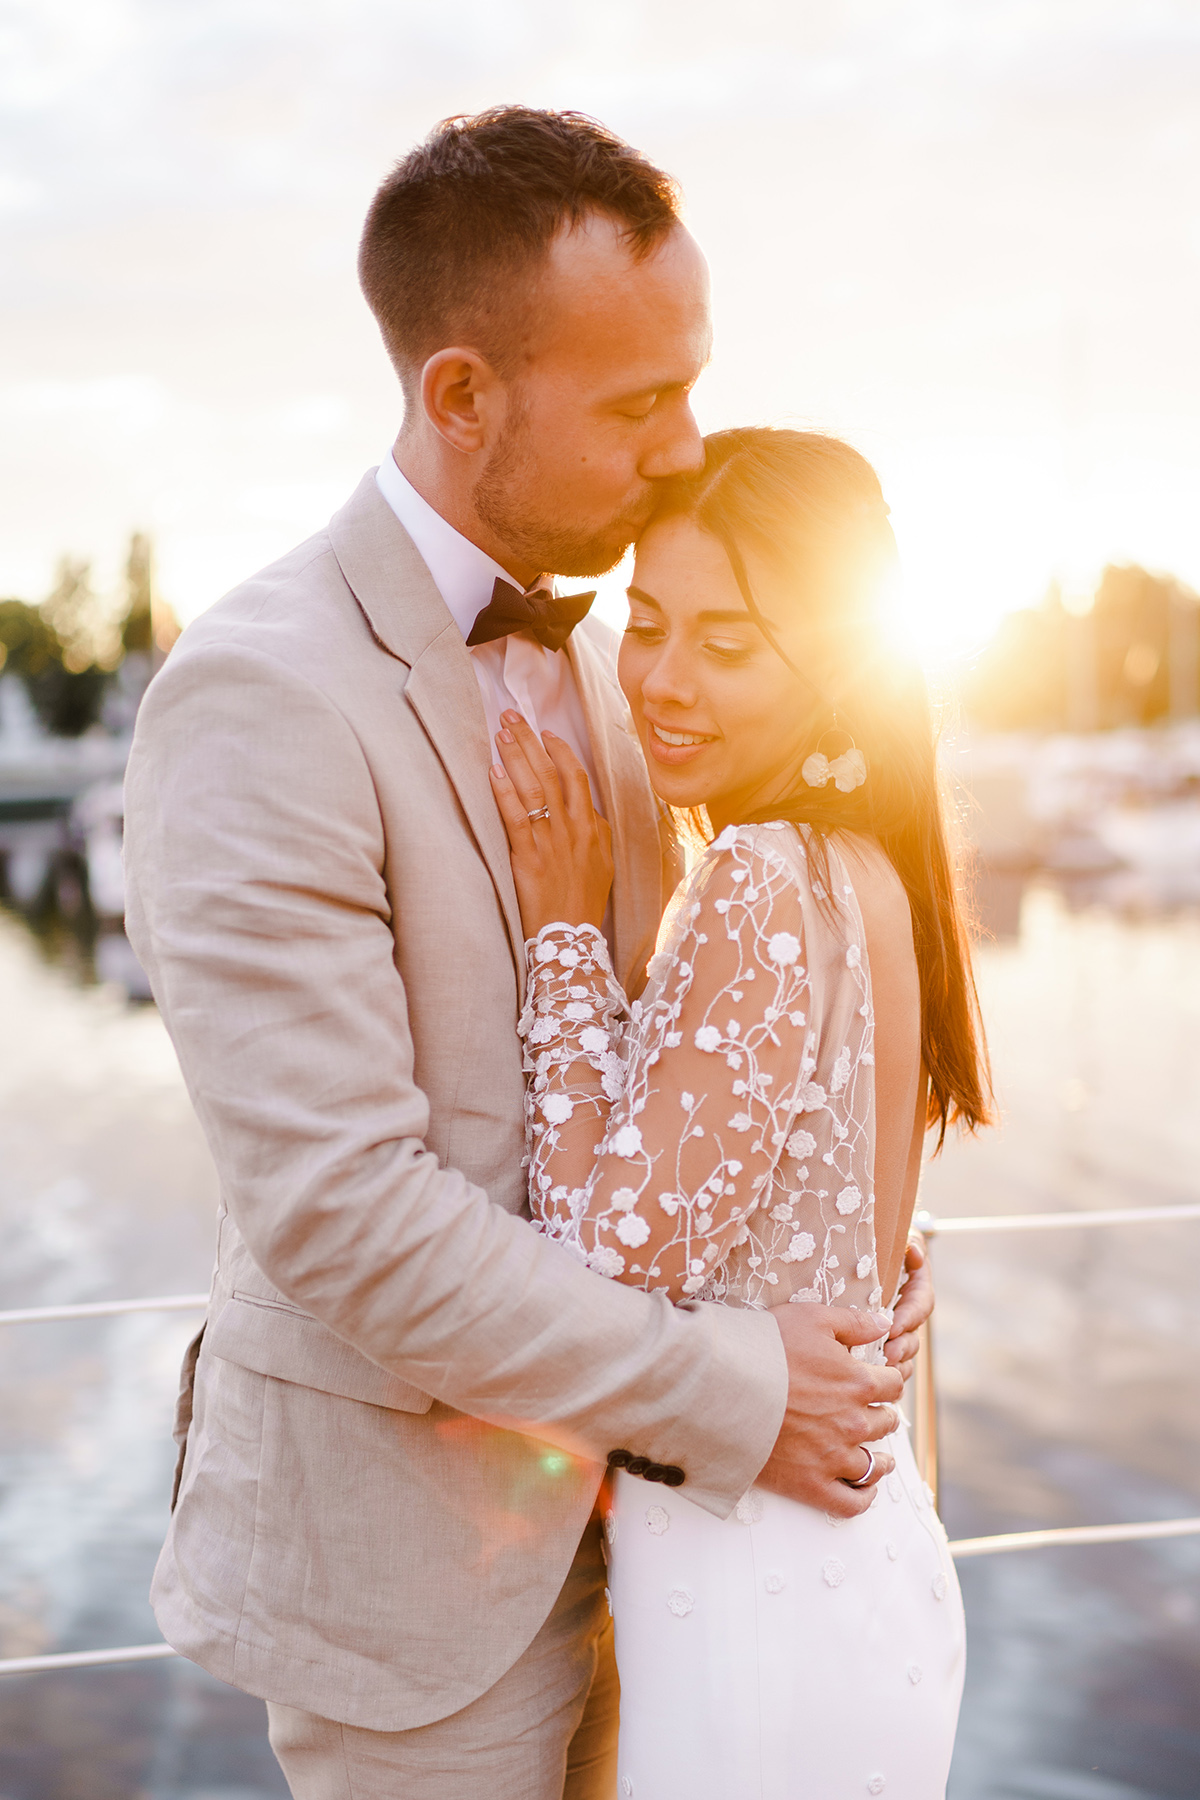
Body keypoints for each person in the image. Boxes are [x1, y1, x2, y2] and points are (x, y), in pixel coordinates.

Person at [122, 110, 932, 1799]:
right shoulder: (260, 694)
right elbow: (345, 1216)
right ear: (463, 396)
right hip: (423, 1610)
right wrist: (740, 1390)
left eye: (693, 385)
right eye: (642, 402)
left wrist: (845, 1282)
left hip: (686, 1561)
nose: (683, 447)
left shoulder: (643, 676)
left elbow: (709, 1071)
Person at [491, 426, 993, 1798]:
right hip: (850, 1550)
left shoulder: (760, 879)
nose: (659, 681)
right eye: (647, 624)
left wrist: (560, 939)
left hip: (758, 1583)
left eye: (728, 646)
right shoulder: (869, 870)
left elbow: (603, 1256)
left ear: (833, 665)